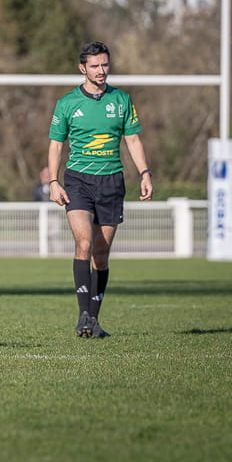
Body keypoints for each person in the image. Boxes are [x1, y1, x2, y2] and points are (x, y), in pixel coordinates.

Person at [48, 41, 153, 338]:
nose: (101, 70)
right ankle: (83, 315)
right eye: (94, 66)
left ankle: (93, 321)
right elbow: (56, 145)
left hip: (111, 182)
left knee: (101, 254)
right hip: (78, 180)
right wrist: (53, 181)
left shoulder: (121, 100)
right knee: (83, 242)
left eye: (105, 64)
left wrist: (145, 173)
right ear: (82, 68)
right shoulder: (67, 103)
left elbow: (133, 140)